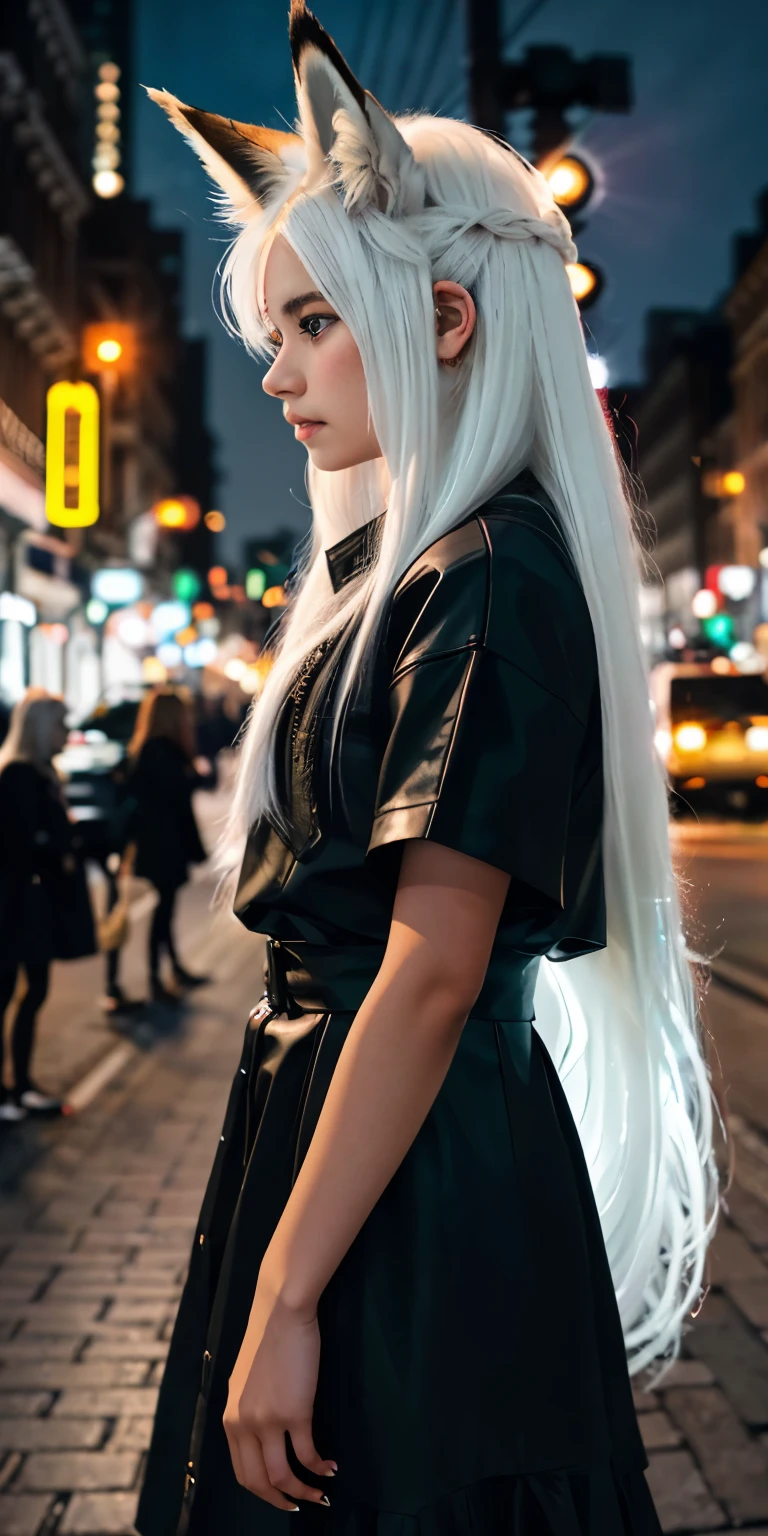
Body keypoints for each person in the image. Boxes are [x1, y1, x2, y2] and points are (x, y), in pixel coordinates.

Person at [139, 7, 718, 1533]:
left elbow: (431, 974)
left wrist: (285, 1294)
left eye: (315, 324)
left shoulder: (485, 577)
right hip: (373, 1155)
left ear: (445, 318)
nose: (277, 377)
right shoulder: (438, 571)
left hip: (411, 1197)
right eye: (275, 335)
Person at [0, 690, 96, 1120]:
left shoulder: (38, 773)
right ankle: (12, 1090)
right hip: (18, 903)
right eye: (60, 724)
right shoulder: (20, 775)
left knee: (30, 990)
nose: (67, 732)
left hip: (29, 900)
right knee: (14, 991)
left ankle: (19, 1086)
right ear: (39, 728)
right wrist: (64, 846)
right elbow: (26, 842)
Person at [125, 689, 210, 1005]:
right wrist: (194, 775)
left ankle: (172, 968)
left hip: (163, 842)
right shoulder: (159, 750)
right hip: (163, 844)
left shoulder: (154, 748)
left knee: (167, 906)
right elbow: (172, 794)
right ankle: (156, 978)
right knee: (163, 910)